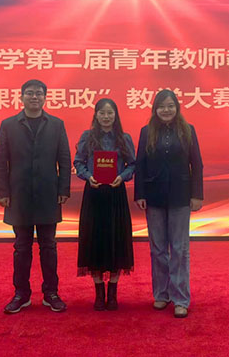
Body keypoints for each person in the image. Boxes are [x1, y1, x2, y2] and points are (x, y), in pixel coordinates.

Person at [0, 79, 71, 314]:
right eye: (30, 93)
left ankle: (51, 293)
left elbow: (64, 160)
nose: (34, 97)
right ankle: (21, 294)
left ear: (45, 97)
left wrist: (63, 190)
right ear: (22, 97)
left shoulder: (56, 125)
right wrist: (2, 192)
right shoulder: (8, 125)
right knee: (21, 247)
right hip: (19, 195)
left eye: (38, 93)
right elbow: (0, 161)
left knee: (49, 246)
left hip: (48, 194)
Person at [134, 89, 203, 318]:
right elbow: (140, 165)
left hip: (180, 196)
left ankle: (181, 298)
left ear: (177, 108)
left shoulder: (188, 130)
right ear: (155, 109)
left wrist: (197, 195)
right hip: (153, 197)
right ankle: (161, 294)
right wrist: (140, 194)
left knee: (180, 249)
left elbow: (197, 164)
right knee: (158, 249)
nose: (166, 110)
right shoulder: (146, 132)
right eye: (162, 106)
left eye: (170, 106)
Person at [74, 98, 135, 311]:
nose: (106, 116)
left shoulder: (124, 138)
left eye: (110, 112)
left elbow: (133, 164)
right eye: (102, 113)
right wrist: (88, 176)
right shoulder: (87, 137)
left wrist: (122, 177)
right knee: (95, 241)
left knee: (117, 241)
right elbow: (78, 162)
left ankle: (113, 293)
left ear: (115, 115)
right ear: (96, 115)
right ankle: (99, 293)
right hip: (94, 194)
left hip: (116, 195)